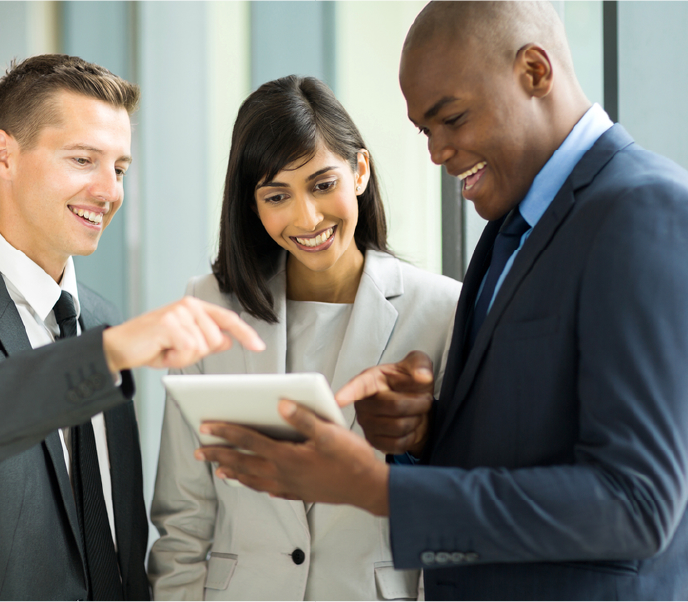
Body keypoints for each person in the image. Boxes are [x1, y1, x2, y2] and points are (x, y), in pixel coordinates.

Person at [196, 1, 688, 600]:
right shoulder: (509, 234)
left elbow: (635, 505)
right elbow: (531, 446)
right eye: (426, 130)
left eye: (453, 119)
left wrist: (374, 487)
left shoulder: (649, 213)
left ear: (535, 72)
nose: (437, 152)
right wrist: (425, 432)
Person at [0, 54, 264, 602]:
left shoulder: (102, 319)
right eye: (83, 160)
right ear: (4, 155)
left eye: (119, 168)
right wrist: (105, 356)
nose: (109, 191)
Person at [147, 75, 460, 601]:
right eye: (277, 195)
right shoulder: (209, 307)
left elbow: (449, 512)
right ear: (253, 205)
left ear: (360, 172)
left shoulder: (441, 310)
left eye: (322, 184)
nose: (307, 217)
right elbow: (183, 519)